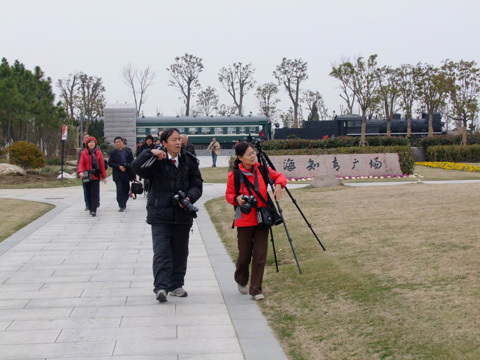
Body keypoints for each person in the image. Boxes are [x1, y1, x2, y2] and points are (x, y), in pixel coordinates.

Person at [131, 128, 203, 303]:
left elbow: (197, 184)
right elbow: (135, 168)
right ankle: (161, 287)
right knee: (162, 251)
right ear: (164, 143)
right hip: (160, 215)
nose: (178, 142)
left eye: (179, 139)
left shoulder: (189, 160)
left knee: (180, 251)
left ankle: (176, 284)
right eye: (173, 140)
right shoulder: (155, 160)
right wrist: (150, 152)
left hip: (182, 213)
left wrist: (189, 197)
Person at [225, 142, 286, 301]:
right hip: (244, 219)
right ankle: (241, 279)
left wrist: (279, 185)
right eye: (249, 154)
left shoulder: (262, 169)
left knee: (260, 255)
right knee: (244, 255)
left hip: (262, 217)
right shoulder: (235, 175)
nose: (253, 156)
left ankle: (256, 289)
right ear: (240, 158)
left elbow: (279, 176)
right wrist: (237, 199)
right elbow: (229, 195)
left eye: (253, 153)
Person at [78, 136, 107, 217]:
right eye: (90, 142)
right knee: (88, 192)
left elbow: (102, 165)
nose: (91, 144)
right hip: (87, 176)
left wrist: (104, 176)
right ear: (87, 144)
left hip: (95, 176)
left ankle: (94, 209)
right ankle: (90, 207)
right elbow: (81, 163)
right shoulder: (84, 153)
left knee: (94, 192)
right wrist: (80, 172)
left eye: (93, 142)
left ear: (95, 144)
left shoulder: (99, 153)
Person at [109, 136, 135, 212]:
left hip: (126, 174)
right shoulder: (113, 152)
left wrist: (133, 175)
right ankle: (121, 205)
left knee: (126, 189)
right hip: (118, 174)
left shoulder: (128, 152)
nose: (118, 144)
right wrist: (119, 166)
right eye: (116, 142)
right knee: (119, 190)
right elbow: (110, 163)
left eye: (119, 142)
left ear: (122, 142)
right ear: (114, 144)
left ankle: (124, 202)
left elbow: (133, 163)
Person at [77, 133, 90, 211]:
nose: (87, 139)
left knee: (94, 189)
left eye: (88, 137)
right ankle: (87, 204)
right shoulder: (81, 151)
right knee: (86, 188)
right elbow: (79, 162)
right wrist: (79, 172)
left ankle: (95, 202)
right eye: (85, 138)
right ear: (83, 140)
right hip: (84, 172)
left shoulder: (97, 149)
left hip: (93, 172)